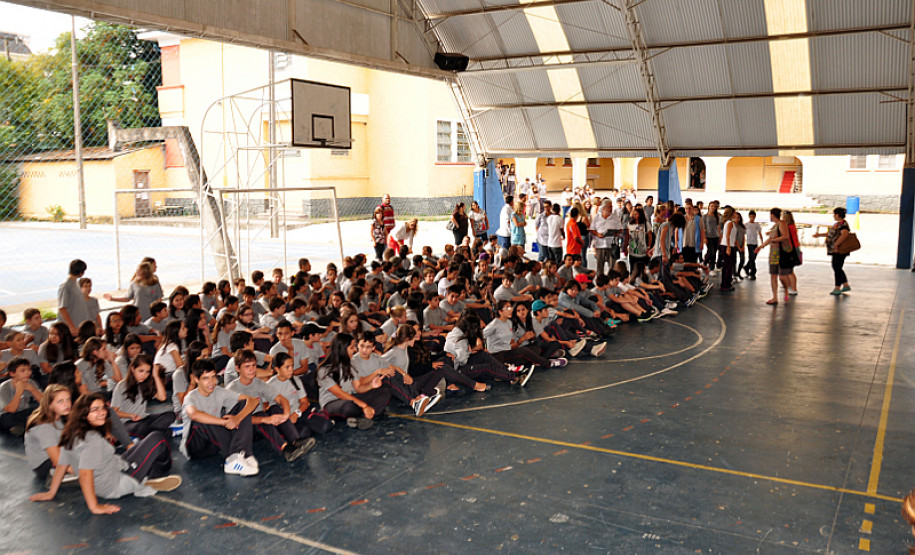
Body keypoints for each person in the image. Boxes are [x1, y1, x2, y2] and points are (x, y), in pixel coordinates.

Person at [31, 392, 181, 514]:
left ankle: (146, 475)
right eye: (94, 410)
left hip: (113, 470)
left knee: (144, 445)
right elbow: (84, 474)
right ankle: (152, 475)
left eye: (102, 408)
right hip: (116, 484)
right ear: (83, 414)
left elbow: (62, 463)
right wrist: (95, 507)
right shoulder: (92, 439)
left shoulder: (71, 433)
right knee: (157, 439)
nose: (102, 413)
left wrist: (51, 493)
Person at [181, 359, 260, 476]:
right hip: (195, 447)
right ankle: (233, 459)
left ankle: (243, 454)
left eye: (213, 377)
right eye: (206, 378)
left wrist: (238, 417)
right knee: (201, 420)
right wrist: (223, 422)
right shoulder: (190, 397)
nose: (211, 382)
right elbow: (194, 414)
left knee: (244, 404)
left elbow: (253, 401)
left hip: (214, 443)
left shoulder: (219, 391)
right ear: (196, 379)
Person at [317, 333, 391, 430]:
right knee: (349, 406)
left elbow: (358, 388)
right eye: (351, 347)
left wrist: (371, 386)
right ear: (343, 349)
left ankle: (362, 417)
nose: (355, 350)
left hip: (351, 397)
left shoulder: (350, 365)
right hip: (333, 402)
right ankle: (365, 413)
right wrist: (364, 406)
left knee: (385, 391)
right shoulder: (324, 370)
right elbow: (340, 394)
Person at [110, 354, 175, 438]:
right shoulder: (122, 386)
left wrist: (156, 376)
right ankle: (170, 432)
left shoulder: (146, 384)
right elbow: (114, 412)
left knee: (169, 416)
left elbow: (162, 398)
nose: (144, 375)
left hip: (143, 419)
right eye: (141, 371)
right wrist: (130, 415)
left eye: (147, 372)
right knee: (140, 428)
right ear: (133, 369)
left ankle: (144, 435)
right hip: (126, 422)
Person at [24, 384, 71, 480]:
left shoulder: (61, 416)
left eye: (68, 399)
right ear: (50, 405)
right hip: (45, 465)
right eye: (60, 402)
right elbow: (58, 461)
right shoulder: (44, 427)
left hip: (60, 452)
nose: (66, 404)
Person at [754, 208, 791, 305]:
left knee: (782, 276)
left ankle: (786, 289)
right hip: (774, 254)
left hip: (781, 253)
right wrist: (761, 246)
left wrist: (774, 240)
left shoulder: (782, 223)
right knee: (773, 275)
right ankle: (775, 297)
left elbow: (785, 236)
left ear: (772, 215)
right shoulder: (774, 226)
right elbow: (770, 239)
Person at [813, 207, 852, 295]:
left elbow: (844, 235)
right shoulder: (837, 224)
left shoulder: (843, 225)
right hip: (835, 250)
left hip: (839, 250)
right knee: (837, 267)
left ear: (837, 215)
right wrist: (819, 235)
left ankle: (837, 287)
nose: (833, 216)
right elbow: (831, 233)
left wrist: (836, 244)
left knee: (837, 267)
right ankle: (845, 284)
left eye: (834, 214)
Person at [1, 357, 42, 436]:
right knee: (6, 419)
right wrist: (18, 392)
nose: (28, 373)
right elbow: (11, 410)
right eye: (23, 370)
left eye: (29, 369)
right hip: (8, 414)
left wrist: (32, 389)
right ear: (12, 373)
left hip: (23, 412)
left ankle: (24, 427)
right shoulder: (4, 387)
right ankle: (29, 425)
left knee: (42, 410)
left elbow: (45, 402)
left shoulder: (30, 382)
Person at [57, 259, 90, 336]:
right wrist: (71, 327)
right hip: (72, 328)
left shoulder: (76, 284)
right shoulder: (66, 286)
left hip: (79, 325)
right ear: (81, 272)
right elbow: (62, 308)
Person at [744, 210, 762, 280]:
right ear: (749, 216)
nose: (752, 218)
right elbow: (743, 234)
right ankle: (753, 272)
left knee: (753, 257)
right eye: (751, 216)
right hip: (749, 243)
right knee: (751, 257)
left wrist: (762, 241)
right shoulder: (746, 225)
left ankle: (747, 267)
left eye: (753, 217)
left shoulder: (757, 224)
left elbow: (760, 233)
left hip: (755, 243)